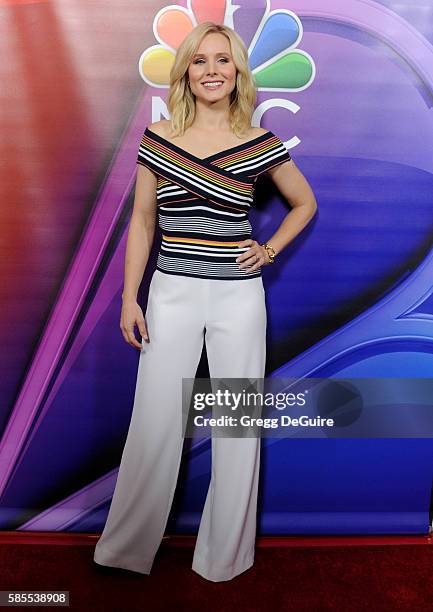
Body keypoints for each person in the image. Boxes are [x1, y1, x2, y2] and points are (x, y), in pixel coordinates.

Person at [93, 21, 317, 582]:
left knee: (238, 424)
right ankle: (123, 551)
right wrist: (130, 298)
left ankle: (225, 558)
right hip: (171, 293)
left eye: (223, 60)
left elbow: (304, 203)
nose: (211, 70)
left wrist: (267, 251)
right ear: (186, 72)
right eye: (200, 61)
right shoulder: (159, 137)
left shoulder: (260, 142)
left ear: (238, 71)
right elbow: (142, 221)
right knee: (154, 419)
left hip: (239, 298)